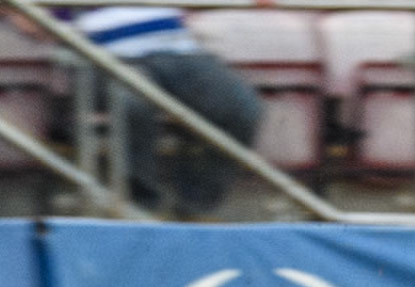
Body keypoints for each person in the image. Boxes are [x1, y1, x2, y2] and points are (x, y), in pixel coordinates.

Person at [38, 6, 261, 215]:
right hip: (105, 57)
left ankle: (195, 209)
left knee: (241, 106)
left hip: (180, 51)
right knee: (131, 104)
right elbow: (26, 16)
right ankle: (142, 209)